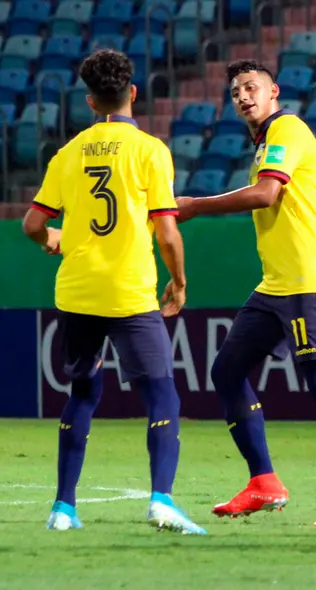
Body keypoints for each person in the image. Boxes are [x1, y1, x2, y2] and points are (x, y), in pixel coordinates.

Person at [174, 60, 316, 526]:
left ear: (274, 92)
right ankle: (264, 482)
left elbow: (266, 194)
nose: (243, 97)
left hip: (309, 276)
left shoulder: (286, 128)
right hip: (277, 283)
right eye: (235, 92)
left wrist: (196, 206)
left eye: (251, 87)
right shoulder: (266, 142)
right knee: (227, 371)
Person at [22, 49, 204, 534]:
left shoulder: (67, 153)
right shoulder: (150, 150)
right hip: (129, 293)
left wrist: (53, 239)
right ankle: (161, 500)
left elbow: (32, 224)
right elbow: (167, 233)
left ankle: (63, 508)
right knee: (161, 395)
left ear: (90, 101)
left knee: (82, 393)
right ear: (133, 93)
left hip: (78, 292)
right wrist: (179, 282)